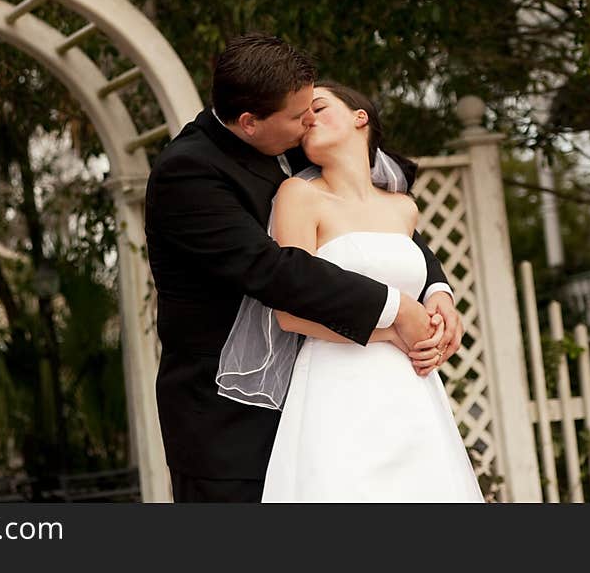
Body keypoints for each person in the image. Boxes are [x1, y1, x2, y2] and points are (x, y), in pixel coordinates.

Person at [144, 33, 463, 502]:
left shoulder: (293, 143)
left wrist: (436, 290)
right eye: (300, 116)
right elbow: (274, 271)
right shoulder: (187, 174)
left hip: (324, 401)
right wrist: (395, 312)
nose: (310, 121)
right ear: (250, 122)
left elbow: (377, 225)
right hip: (231, 424)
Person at [220, 80, 483, 501]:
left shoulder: (403, 208)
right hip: (337, 386)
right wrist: (392, 331)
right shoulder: (299, 197)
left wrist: (439, 300)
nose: (309, 119)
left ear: (360, 117)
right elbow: (288, 312)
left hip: (411, 389)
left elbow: (417, 272)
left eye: (319, 107)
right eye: (302, 117)